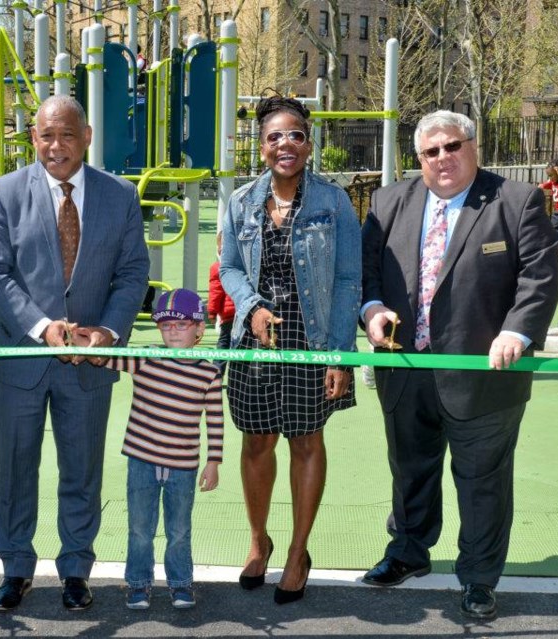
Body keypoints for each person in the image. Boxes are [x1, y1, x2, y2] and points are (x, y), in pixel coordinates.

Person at [360, 110, 558, 620]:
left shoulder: (515, 201)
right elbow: (366, 274)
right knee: (409, 471)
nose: (443, 158)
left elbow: (539, 278)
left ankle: (478, 577)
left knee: (483, 482)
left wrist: (516, 332)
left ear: (473, 146)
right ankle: (407, 553)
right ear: (419, 159)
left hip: (484, 374)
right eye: (431, 152)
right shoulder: (388, 202)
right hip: (404, 367)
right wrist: (372, 309)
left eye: (453, 146)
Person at [0, 94, 150, 613]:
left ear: (87, 136)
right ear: (34, 138)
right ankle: (15, 568)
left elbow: (132, 273)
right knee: (15, 469)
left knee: (81, 471)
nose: (56, 146)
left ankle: (76, 568)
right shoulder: (4, 194)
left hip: (89, 366)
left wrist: (110, 333)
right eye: (46, 135)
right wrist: (41, 327)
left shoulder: (119, 196)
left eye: (67, 135)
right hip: (19, 361)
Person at [219, 95, 361, 605]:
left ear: (308, 143)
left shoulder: (334, 202)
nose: (287, 144)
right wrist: (250, 306)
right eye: (276, 136)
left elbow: (348, 280)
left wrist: (339, 354)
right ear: (261, 147)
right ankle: (259, 540)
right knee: (256, 442)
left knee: (306, 441)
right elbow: (230, 268)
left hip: (312, 338)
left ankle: (298, 552)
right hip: (254, 340)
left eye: (296, 134)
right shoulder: (240, 202)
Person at [106, 288, 223, 611]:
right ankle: (139, 584)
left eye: (181, 324)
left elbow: (215, 419)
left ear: (200, 329)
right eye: (165, 324)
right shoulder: (145, 358)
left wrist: (214, 461)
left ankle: (181, 583)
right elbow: (104, 357)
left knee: (179, 530)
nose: (172, 330)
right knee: (140, 528)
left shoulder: (209, 371)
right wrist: (82, 343)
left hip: (183, 465)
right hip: (141, 460)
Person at [207, 231, 235, 375]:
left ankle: (216, 375)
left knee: (223, 345)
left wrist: (211, 312)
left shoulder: (217, 268)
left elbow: (215, 292)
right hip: (244, 313)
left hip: (228, 315)